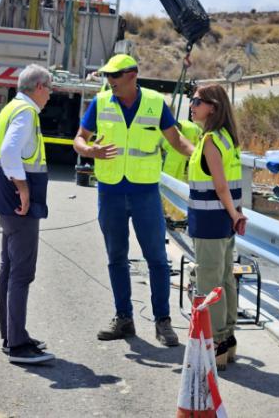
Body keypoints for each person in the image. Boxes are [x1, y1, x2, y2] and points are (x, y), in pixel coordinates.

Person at [73, 54, 194, 347]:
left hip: (145, 194)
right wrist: (90, 151)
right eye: (107, 76)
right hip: (110, 192)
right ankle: (124, 317)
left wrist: (205, 159)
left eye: (114, 76)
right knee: (116, 258)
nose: (109, 81)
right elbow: (79, 138)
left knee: (157, 260)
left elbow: (177, 141)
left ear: (132, 76)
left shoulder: (154, 103)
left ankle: (162, 322)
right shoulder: (101, 103)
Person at [0, 63, 55, 365]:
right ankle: (17, 344)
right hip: (20, 204)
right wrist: (24, 188)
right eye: (50, 88)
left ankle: (12, 334)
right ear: (39, 87)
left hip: (6, 201)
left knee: (9, 269)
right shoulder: (27, 113)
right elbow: (9, 151)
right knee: (21, 273)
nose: (51, 94)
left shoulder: (11, 108)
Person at [187, 84, 247, 370]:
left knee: (210, 283)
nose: (192, 104)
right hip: (225, 219)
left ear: (212, 107)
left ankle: (217, 342)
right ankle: (228, 338)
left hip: (211, 220)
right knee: (225, 279)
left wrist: (234, 214)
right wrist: (235, 215)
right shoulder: (227, 139)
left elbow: (221, 186)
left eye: (197, 101)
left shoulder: (211, 140)